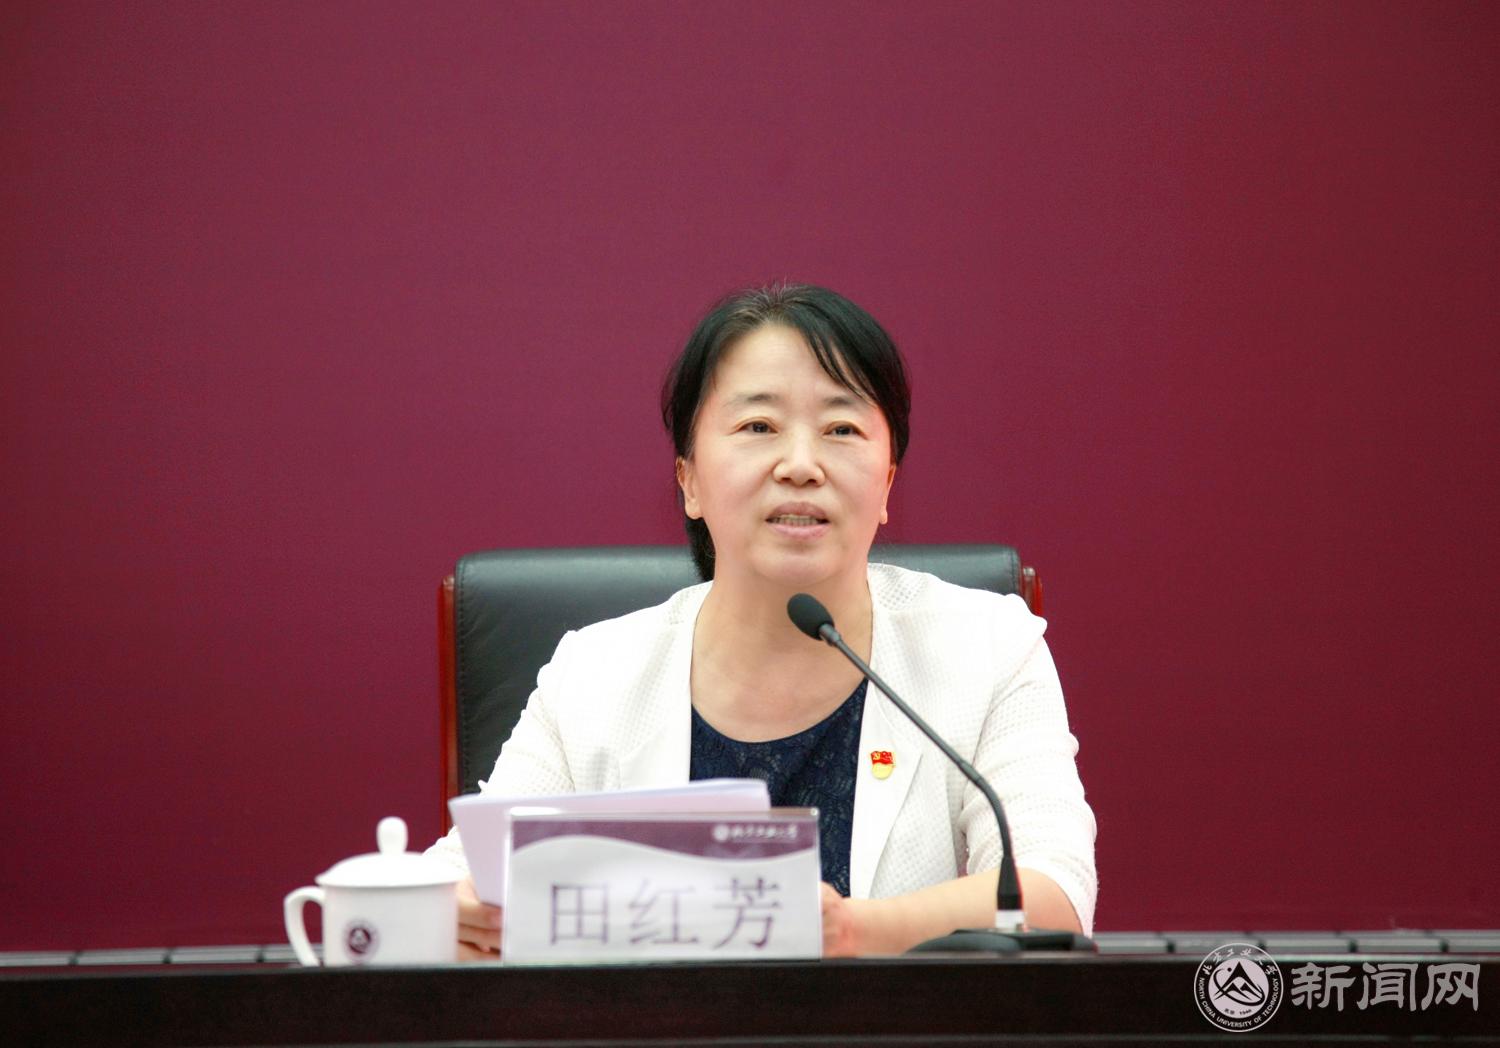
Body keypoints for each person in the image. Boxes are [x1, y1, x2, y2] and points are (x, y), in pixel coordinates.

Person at [427, 284, 1096, 958]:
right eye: (758, 427)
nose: (800, 465)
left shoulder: (987, 649)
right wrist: (457, 914)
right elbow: (460, 878)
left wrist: (851, 932)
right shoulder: (595, 676)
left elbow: (1052, 894)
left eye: (841, 429)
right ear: (689, 480)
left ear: (887, 483)